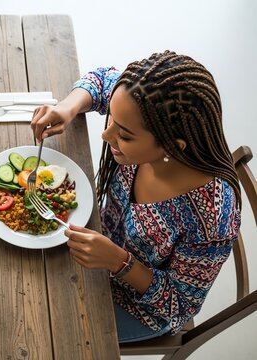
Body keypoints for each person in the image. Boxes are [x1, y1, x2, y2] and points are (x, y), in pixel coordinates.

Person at [31, 50, 241, 343]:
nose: (106, 136)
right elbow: (104, 80)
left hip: (138, 307)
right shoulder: (147, 105)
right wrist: (68, 107)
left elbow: (179, 305)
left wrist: (118, 261)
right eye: (112, 119)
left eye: (125, 135)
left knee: (37, 325)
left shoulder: (213, 218)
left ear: (173, 146)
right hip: (94, 243)